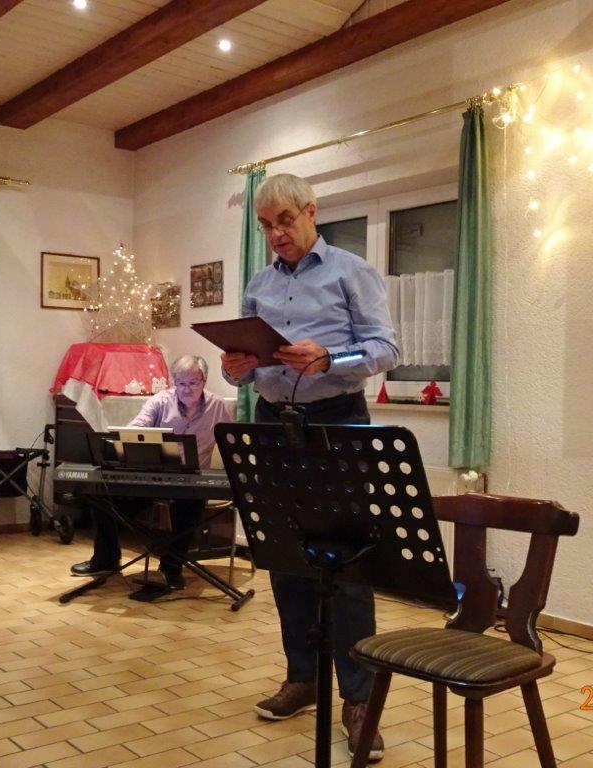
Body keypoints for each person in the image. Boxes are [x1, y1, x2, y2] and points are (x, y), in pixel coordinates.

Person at [221, 173, 399, 761]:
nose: (276, 234)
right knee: (285, 555)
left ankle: (358, 699)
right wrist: (236, 368)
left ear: (310, 212)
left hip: (337, 421)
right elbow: (244, 364)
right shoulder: (258, 283)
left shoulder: (352, 271)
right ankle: (303, 676)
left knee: (348, 564)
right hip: (273, 423)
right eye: (265, 226)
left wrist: (331, 358)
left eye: (284, 221)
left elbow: (387, 349)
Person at [70, 355, 231, 596]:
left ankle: (172, 568)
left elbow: (229, 442)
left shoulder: (217, 407)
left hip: (192, 480)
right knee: (102, 498)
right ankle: (105, 559)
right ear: (174, 382)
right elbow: (135, 430)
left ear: (204, 381)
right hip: (155, 477)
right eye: (181, 383)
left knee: (190, 507)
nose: (187, 389)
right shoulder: (160, 401)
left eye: (193, 383)